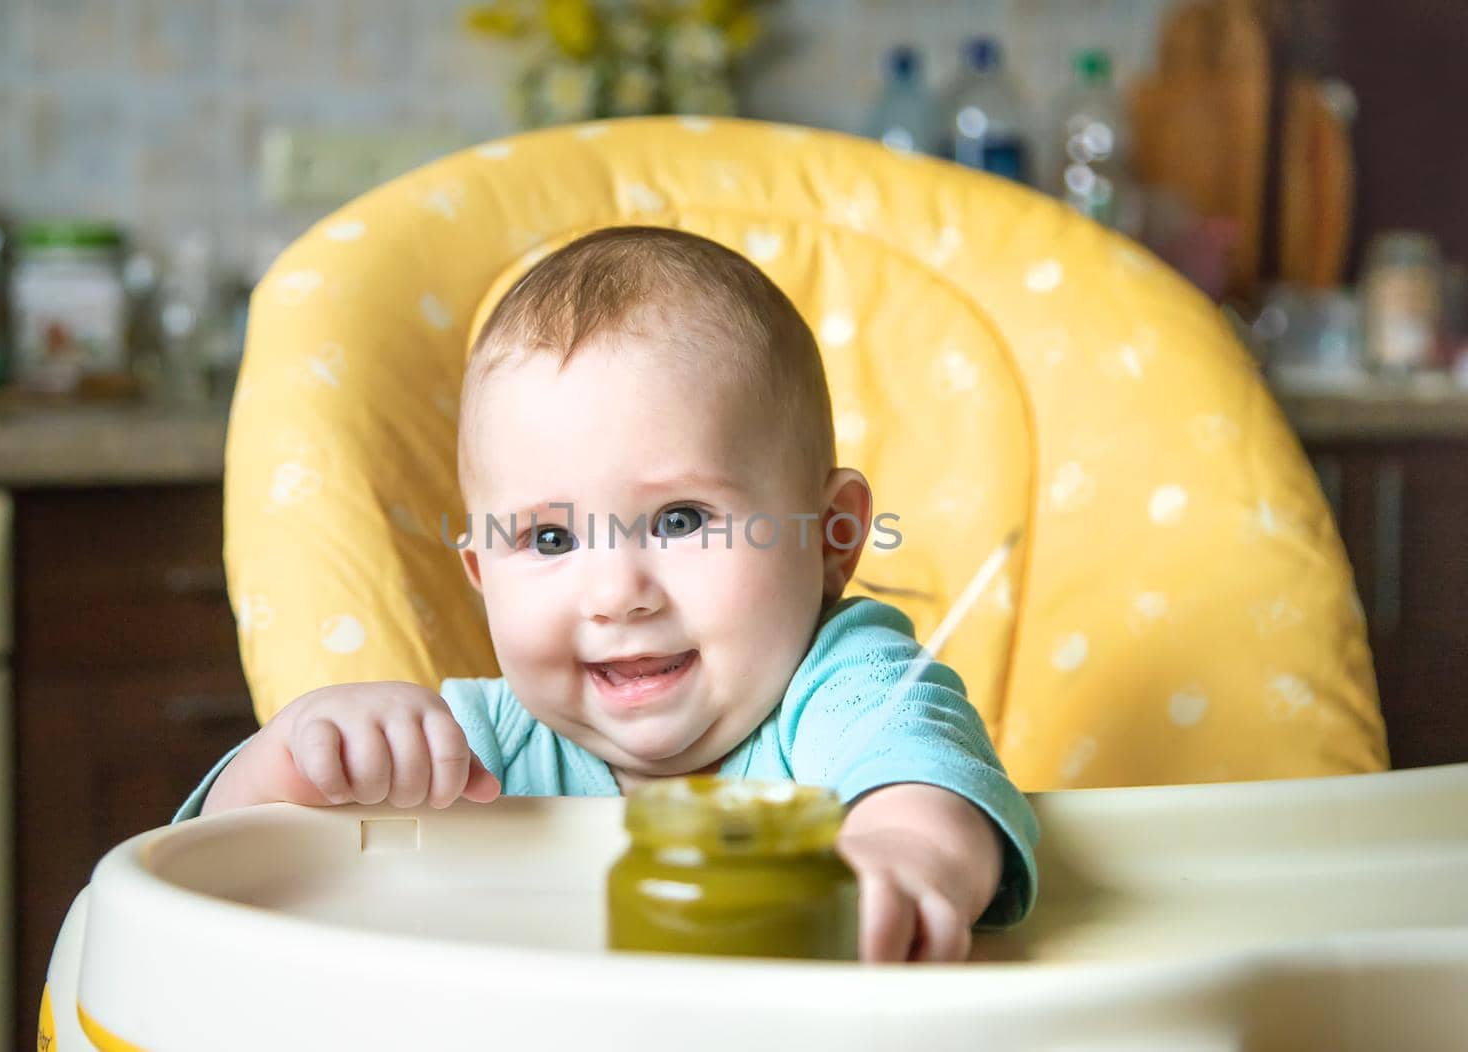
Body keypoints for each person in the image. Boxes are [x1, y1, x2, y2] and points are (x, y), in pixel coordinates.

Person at [176, 225, 1038, 962]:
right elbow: (209, 870)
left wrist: (901, 853)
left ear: (832, 538)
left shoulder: (847, 691)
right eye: (549, 539)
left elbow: (925, 776)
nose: (617, 594)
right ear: (482, 576)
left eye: (681, 519)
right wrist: (294, 757)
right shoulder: (475, 758)